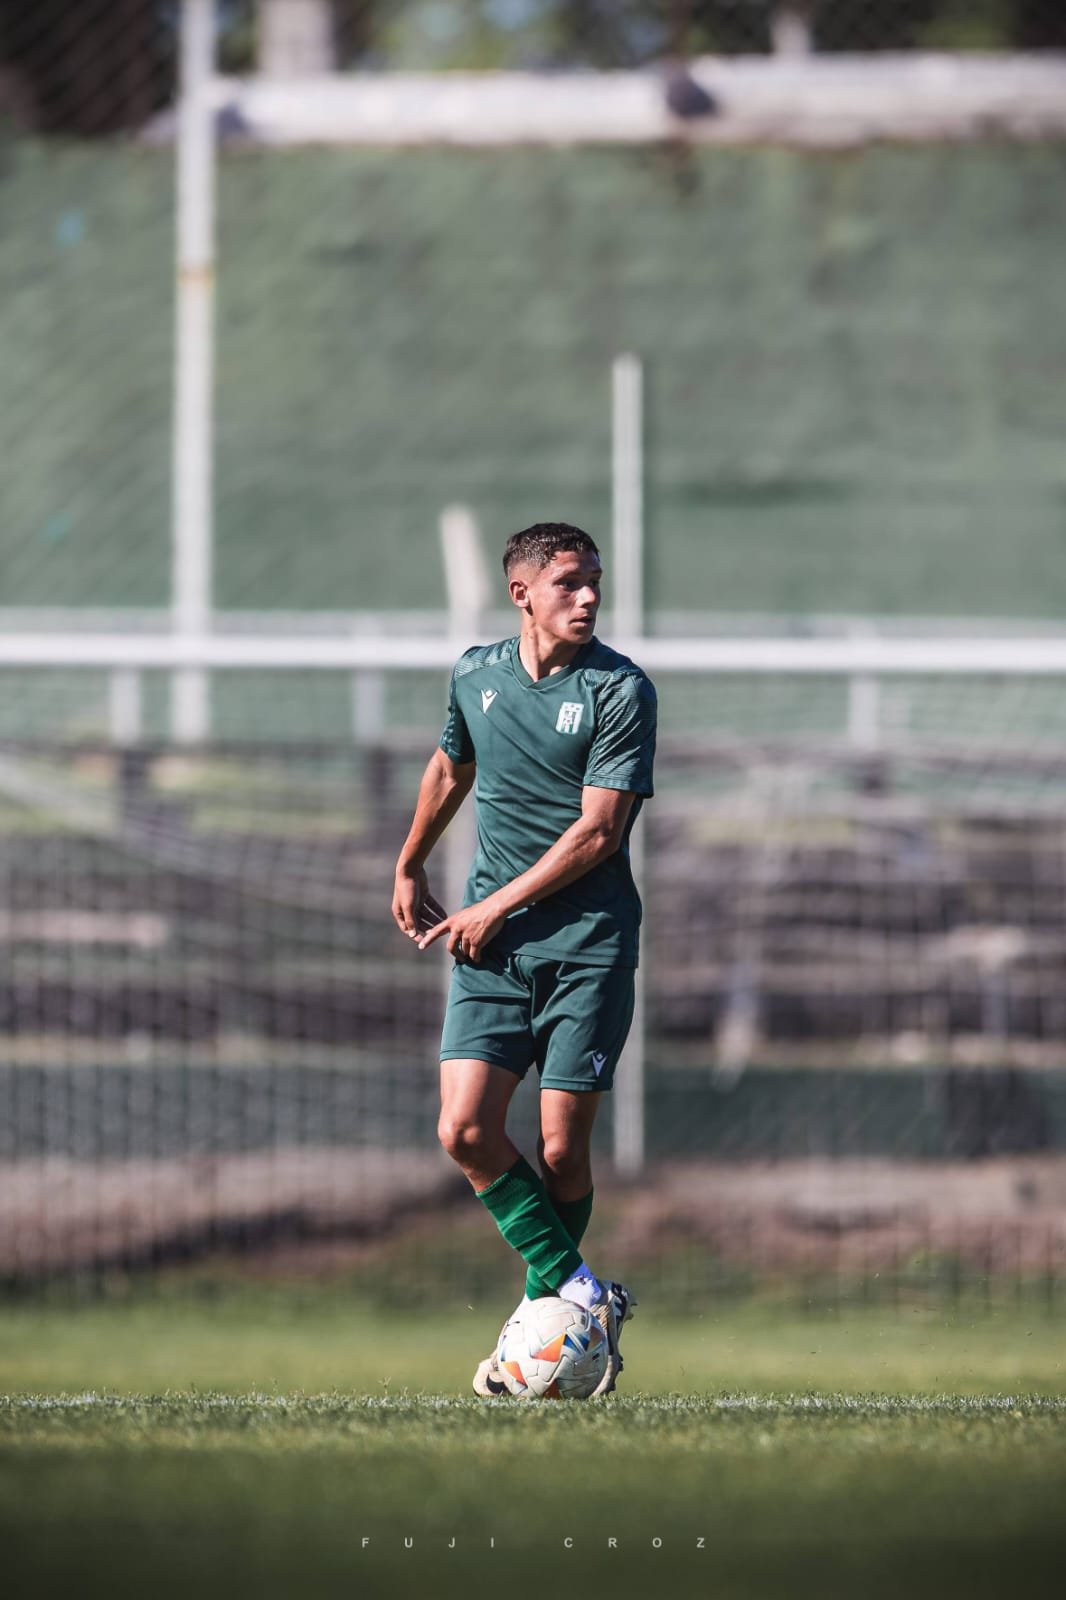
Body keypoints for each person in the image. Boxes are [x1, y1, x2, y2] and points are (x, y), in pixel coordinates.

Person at [391, 522, 657, 1397]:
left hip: (587, 947)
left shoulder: (619, 689)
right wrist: (410, 860)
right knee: (464, 1130)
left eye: (595, 581)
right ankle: (583, 1296)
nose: (589, 597)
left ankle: (544, 1320)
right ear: (523, 594)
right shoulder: (476, 674)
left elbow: (599, 831)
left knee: (561, 1151)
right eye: (570, 583)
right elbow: (449, 767)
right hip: (494, 950)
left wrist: (494, 902)